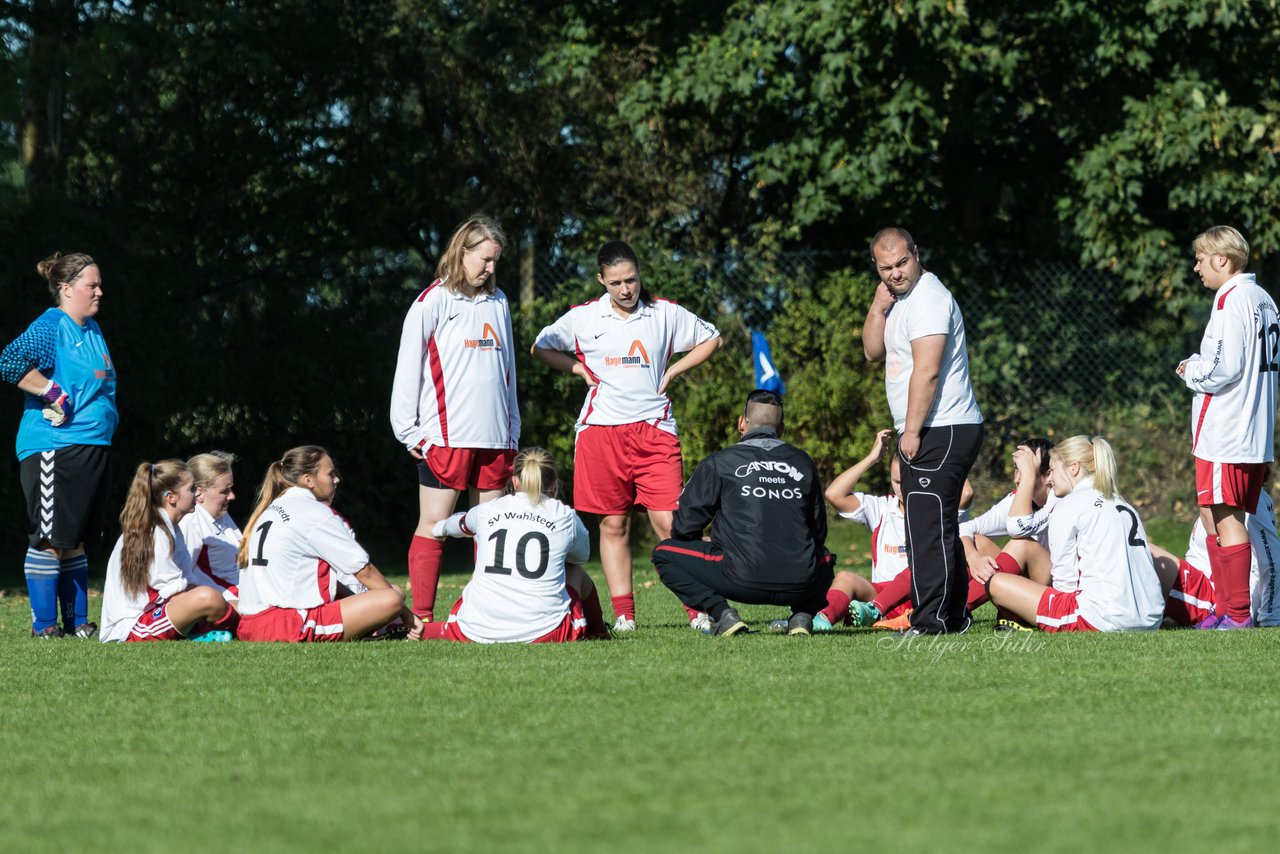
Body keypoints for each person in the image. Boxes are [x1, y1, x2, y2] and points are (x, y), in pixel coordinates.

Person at [533, 240, 722, 633]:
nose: (625, 289)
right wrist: (575, 370)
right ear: (601, 280)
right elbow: (541, 346)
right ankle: (624, 616)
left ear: (640, 275)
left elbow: (712, 338)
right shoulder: (583, 318)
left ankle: (699, 610)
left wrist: (675, 370)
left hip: (654, 431)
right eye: (616, 282)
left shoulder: (664, 313)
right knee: (613, 525)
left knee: (671, 521)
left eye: (632, 280)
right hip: (601, 434)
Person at [390, 218, 520, 624]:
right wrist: (407, 429)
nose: (491, 269)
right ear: (462, 251)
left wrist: (512, 426)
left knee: (491, 529)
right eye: (485, 259)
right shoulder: (433, 301)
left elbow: (509, 371)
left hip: (496, 437)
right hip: (447, 436)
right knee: (434, 524)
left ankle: (487, 614)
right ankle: (423, 618)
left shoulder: (499, 303)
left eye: (496, 261)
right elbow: (407, 367)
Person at [862, 228, 984, 635]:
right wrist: (878, 310)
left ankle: (931, 621)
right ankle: (953, 615)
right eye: (886, 268)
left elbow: (928, 370)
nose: (896, 273)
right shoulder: (899, 300)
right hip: (932, 427)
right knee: (933, 525)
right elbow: (872, 352)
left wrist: (911, 432)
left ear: (917, 253)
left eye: (902, 263)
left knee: (927, 529)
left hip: (942, 425)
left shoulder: (929, 297)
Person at [1, 252, 117, 638]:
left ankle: (78, 623)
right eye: (92, 285)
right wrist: (53, 392)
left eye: (99, 284)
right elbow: (11, 360)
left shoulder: (93, 330)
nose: (100, 291)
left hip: (92, 446)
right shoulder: (53, 324)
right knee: (50, 538)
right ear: (66, 289)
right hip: (55, 446)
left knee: (76, 539)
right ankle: (45, 626)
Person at [650, 389, 833, 636]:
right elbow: (819, 531)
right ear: (782, 428)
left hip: (738, 579)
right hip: (799, 583)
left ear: (741, 423)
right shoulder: (803, 462)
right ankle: (802, 616)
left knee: (663, 553)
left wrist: (707, 544)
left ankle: (722, 614)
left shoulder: (720, 461)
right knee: (825, 557)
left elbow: (683, 527)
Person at [1176, 225, 1278, 629]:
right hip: (1252, 430)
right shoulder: (1264, 299)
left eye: (1201, 258)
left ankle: (1236, 615)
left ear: (1223, 259)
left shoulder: (1231, 298)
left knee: (1227, 518)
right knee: (1212, 511)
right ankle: (1226, 606)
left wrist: (1190, 369)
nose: (1197, 267)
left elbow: (1223, 367)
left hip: (1229, 431)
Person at [970, 436, 1164, 632]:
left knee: (997, 583)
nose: (1051, 478)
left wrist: (1028, 603)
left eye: (1053, 470)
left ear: (1074, 468)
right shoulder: (1122, 503)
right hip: (1150, 621)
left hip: (1102, 620)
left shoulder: (1068, 506)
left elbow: (1066, 584)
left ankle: (957, 613)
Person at [235, 446, 424, 642]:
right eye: (330, 473)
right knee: (392, 598)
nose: (337, 479)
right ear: (308, 480)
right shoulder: (313, 512)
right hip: (287, 624)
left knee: (390, 595)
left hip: (250, 624)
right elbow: (364, 571)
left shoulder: (272, 508)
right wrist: (407, 615)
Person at [424, 447, 609, 643]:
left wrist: (439, 528)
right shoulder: (564, 516)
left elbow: (457, 525)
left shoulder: (489, 509)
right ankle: (599, 632)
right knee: (576, 572)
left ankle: (408, 625)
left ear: (515, 481)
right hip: (544, 632)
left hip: (475, 629)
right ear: (553, 482)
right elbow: (582, 557)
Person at [815, 431, 981, 633]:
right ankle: (822, 618)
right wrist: (871, 458)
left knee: (927, 561)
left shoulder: (939, 507)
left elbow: (966, 493)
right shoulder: (882, 508)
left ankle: (898, 615)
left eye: (910, 480)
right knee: (845, 577)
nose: (904, 488)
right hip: (880, 594)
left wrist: (940, 458)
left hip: (925, 595)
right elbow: (834, 494)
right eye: (898, 482)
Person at [99, 461, 238, 643]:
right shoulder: (155, 531)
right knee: (208, 597)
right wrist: (223, 606)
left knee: (216, 599)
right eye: (191, 489)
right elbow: (174, 592)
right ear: (171, 497)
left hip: (157, 614)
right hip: (131, 627)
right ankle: (241, 626)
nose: (196, 493)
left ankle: (218, 628)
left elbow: (187, 583)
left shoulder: (171, 528)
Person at [1150, 487, 1280, 628]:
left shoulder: (1250, 498)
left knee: (1145, 552)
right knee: (1138, 549)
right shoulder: (1217, 492)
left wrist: (1270, 618)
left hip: (1214, 600)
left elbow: (1271, 562)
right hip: (1199, 586)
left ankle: (1233, 617)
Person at [179, 451, 242, 605]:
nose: (232, 496)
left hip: (245, 595)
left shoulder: (221, 514)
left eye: (231, 489)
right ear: (199, 492)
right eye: (225, 491)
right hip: (227, 606)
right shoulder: (191, 522)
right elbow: (182, 581)